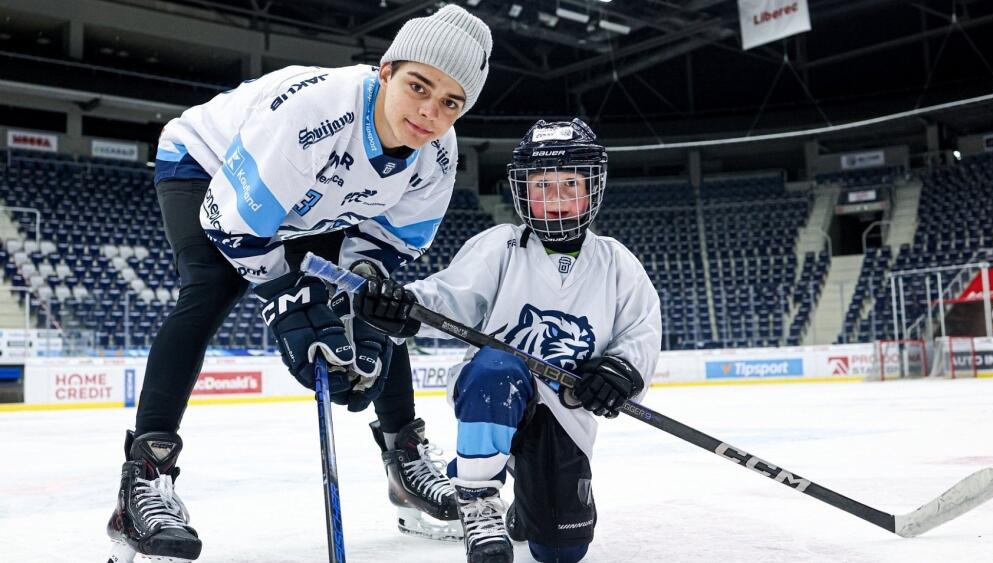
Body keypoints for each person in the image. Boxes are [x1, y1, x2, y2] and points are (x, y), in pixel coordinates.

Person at [106, 6, 492, 561]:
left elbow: (384, 246)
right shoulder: (315, 112)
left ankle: (405, 461)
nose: (430, 112)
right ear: (386, 71)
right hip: (209, 167)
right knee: (211, 288)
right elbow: (231, 223)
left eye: (451, 103)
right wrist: (286, 302)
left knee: (380, 305)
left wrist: (361, 296)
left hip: (315, 202)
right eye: (418, 86)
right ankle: (144, 479)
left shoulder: (437, 153)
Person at [352, 118, 662, 563]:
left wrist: (620, 372)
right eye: (542, 186)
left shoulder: (616, 262)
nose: (555, 199)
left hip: (564, 411)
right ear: (522, 191)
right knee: (496, 368)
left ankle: (528, 502)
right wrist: (405, 306)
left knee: (561, 551)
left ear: (593, 187)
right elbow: (450, 298)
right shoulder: (501, 246)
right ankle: (477, 501)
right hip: (493, 391)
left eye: (570, 185)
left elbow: (641, 332)